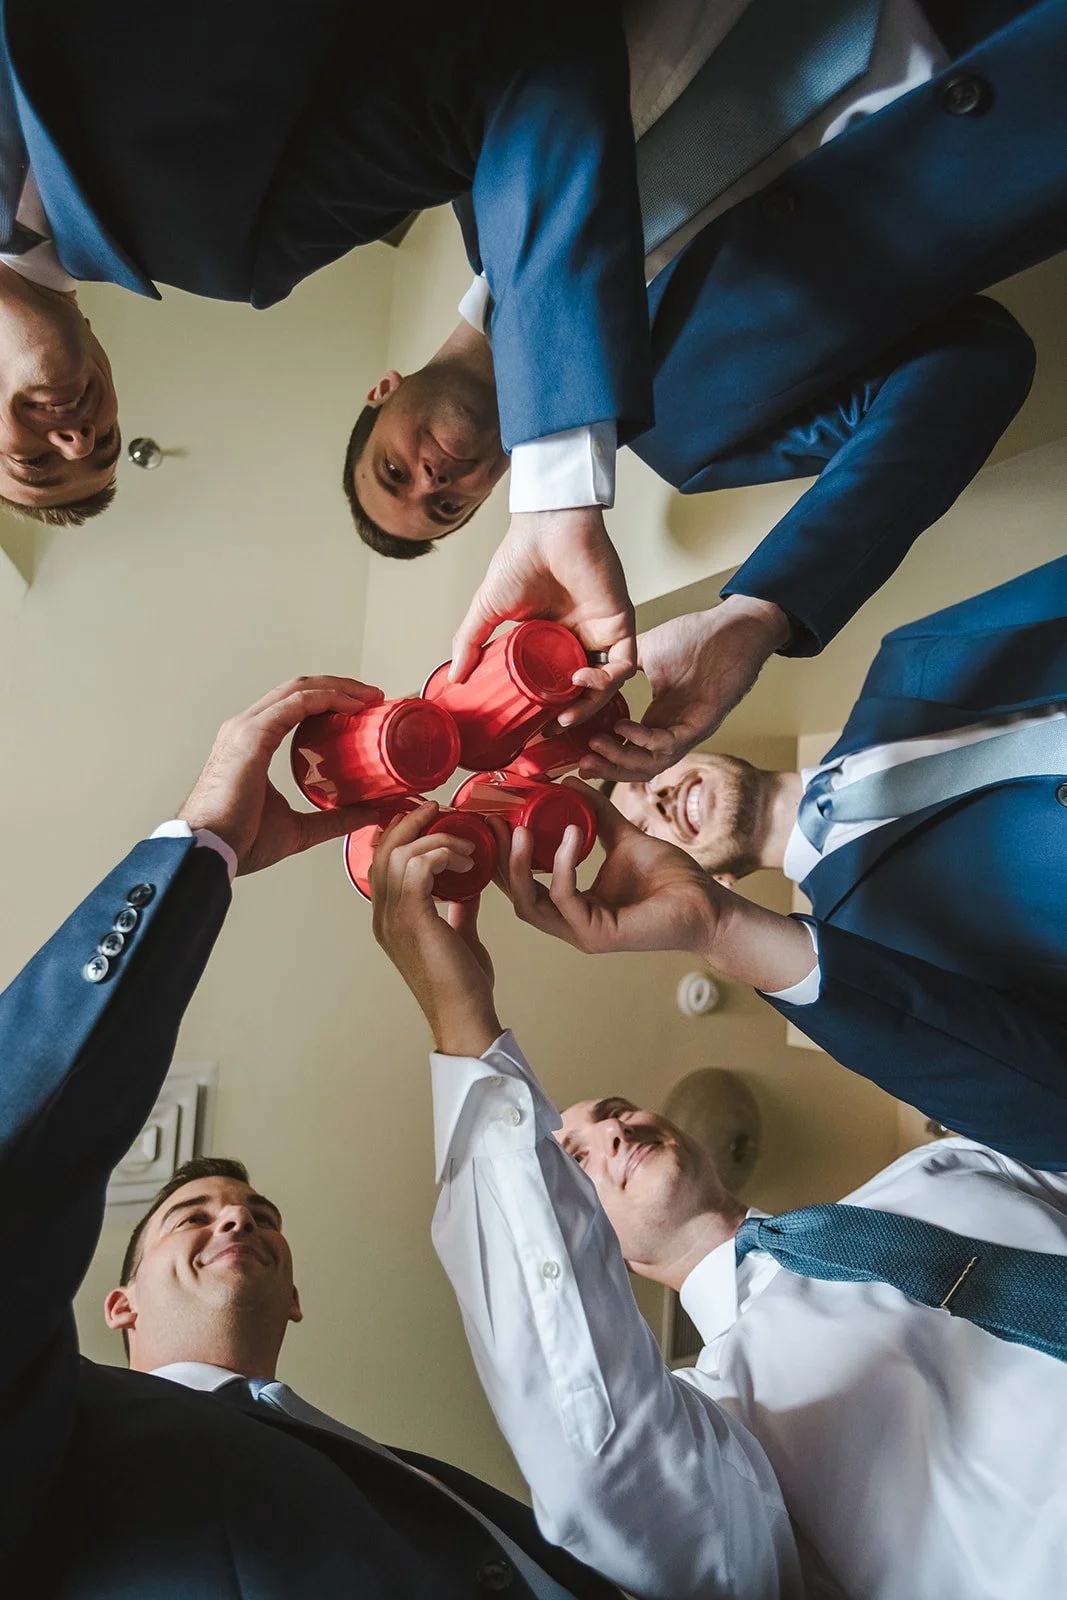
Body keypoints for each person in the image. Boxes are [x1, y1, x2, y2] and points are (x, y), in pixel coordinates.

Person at [0, 673, 625, 1599]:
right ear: (117, 1307)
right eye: (192, 1216)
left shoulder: (410, 1481)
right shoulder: (52, 1430)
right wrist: (201, 842)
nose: (237, 1223)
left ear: (295, 1297)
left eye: (256, 1213)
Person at [370, 807, 1067, 1599]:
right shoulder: (725, 1423)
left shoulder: (942, 1167)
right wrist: (464, 1028)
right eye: (572, 1159)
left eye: (614, 1109)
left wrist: (715, 922)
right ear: (583, 1243)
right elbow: (605, 1471)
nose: (612, 1128)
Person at [347, 0, 1064, 748]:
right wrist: (756, 613)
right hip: (1034, 110)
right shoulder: (690, 445)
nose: (431, 483)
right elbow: (977, 363)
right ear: (487, 494)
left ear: (382, 390)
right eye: (444, 509)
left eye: (393, 470)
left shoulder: (476, 167)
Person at [0, 0, 650, 555]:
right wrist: (558, 495)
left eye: (37, 461)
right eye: (104, 444)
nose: (80, 436)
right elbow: (509, 57)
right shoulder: (234, 253)